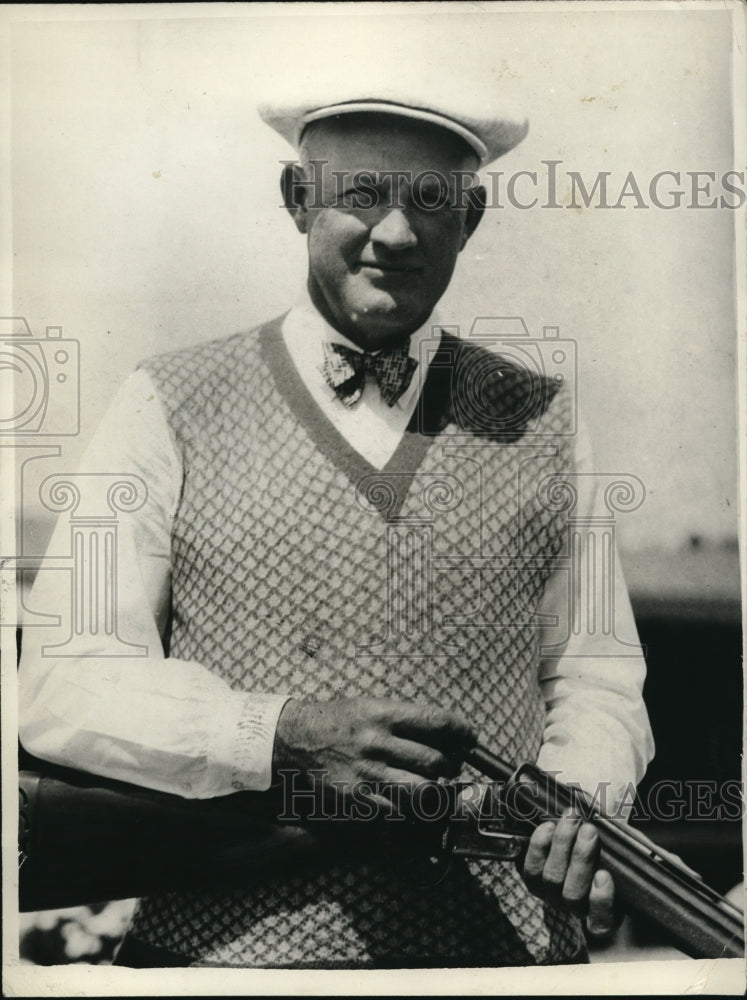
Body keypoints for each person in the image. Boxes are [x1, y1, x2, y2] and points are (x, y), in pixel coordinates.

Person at [18, 79, 654, 967]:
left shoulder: (542, 416)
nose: (395, 232)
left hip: (503, 965)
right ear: (296, 199)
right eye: (360, 193)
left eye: (430, 200)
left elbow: (594, 681)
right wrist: (276, 735)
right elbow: (64, 682)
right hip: (222, 971)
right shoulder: (167, 400)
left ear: (470, 219)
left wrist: (579, 803)